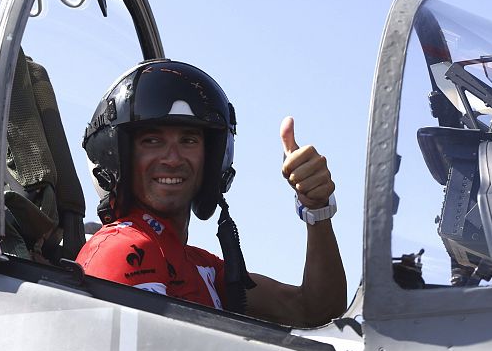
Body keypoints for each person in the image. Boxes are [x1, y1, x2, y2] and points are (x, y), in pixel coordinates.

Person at [76, 59, 346, 327]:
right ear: (120, 155)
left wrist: (316, 209)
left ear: (214, 158)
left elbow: (315, 311)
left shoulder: (201, 268)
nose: (172, 158)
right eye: (152, 141)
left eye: (189, 140)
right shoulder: (126, 250)